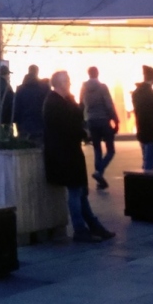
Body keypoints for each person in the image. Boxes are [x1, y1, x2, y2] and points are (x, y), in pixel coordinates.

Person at [43, 70, 115, 244]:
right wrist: (83, 133)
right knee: (76, 192)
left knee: (80, 191)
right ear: (60, 83)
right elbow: (67, 127)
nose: (69, 83)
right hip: (64, 155)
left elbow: (76, 118)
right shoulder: (54, 103)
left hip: (70, 153)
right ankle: (81, 229)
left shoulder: (64, 100)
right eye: (67, 80)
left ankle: (93, 226)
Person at [80, 66, 120, 190]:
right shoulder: (102, 87)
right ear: (97, 74)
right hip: (103, 120)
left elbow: (81, 105)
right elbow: (109, 104)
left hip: (91, 121)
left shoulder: (84, 88)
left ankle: (100, 180)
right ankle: (99, 172)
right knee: (110, 150)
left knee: (97, 150)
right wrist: (115, 120)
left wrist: (83, 123)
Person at [131, 65, 153, 171]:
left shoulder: (136, 93)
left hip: (141, 129)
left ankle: (145, 175)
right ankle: (147, 178)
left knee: (146, 159)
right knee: (150, 163)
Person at [13, 66, 49, 142]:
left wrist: (17, 125)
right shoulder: (45, 88)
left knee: (25, 148)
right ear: (37, 72)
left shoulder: (20, 89)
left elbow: (16, 110)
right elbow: (49, 108)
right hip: (41, 128)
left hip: (24, 128)